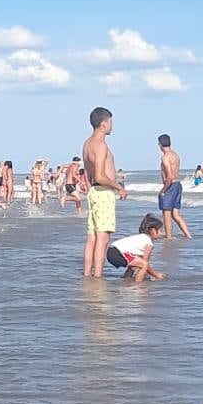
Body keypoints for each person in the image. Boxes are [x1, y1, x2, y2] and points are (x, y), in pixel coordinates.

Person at [82, 107, 127, 278]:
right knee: (103, 238)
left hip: (94, 191)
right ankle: (98, 276)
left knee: (92, 237)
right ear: (103, 124)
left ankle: (88, 274)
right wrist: (119, 187)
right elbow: (101, 176)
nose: (112, 125)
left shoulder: (87, 144)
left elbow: (88, 173)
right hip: (102, 192)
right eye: (111, 122)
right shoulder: (100, 145)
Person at [106, 214, 167, 282]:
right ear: (153, 231)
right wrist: (156, 275)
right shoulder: (148, 243)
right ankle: (138, 285)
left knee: (136, 263)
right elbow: (145, 263)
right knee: (143, 264)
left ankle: (126, 278)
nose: (162, 233)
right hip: (118, 253)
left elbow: (139, 263)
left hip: (111, 251)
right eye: (160, 231)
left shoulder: (141, 238)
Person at [157, 134, 192, 239]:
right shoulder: (175, 155)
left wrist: (163, 190)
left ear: (160, 144)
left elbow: (170, 176)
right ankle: (188, 235)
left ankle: (169, 237)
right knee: (175, 214)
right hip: (177, 185)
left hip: (171, 186)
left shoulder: (165, 157)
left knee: (166, 214)